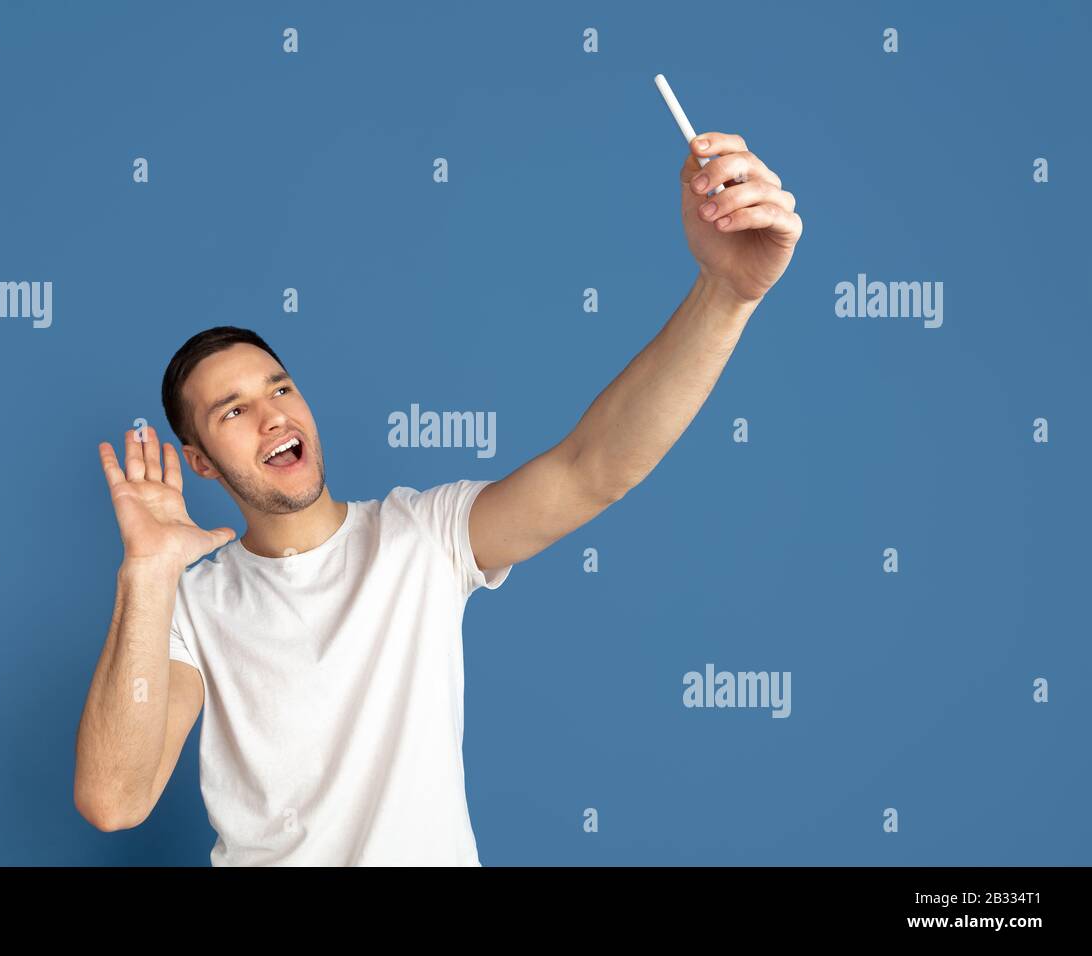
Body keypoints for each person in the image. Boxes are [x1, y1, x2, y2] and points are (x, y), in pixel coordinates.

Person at [73, 131, 802, 865]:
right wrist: (148, 571)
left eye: (280, 388)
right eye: (232, 411)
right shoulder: (187, 607)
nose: (272, 416)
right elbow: (115, 801)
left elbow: (594, 468)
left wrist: (726, 295)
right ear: (198, 462)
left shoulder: (420, 535)